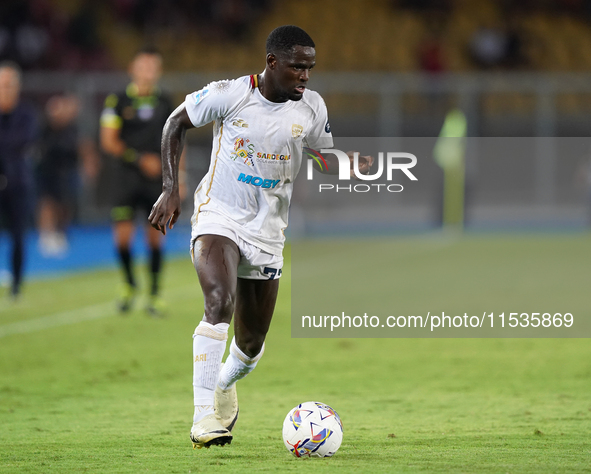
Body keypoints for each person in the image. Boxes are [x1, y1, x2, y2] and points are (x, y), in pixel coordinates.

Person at [149, 25, 372, 448]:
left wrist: (344, 162)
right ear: (272, 63)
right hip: (220, 216)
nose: (305, 77)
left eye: (310, 69)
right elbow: (175, 123)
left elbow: (321, 156)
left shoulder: (312, 108)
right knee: (219, 302)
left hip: (269, 231)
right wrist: (170, 188)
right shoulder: (231, 94)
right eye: (297, 68)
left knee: (250, 346)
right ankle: (202, 419)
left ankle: (224, 384)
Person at [100, 46, 175, 316]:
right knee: (122, 238)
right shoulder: (117, 101)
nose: (147, 72)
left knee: (155, 238)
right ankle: (129, 285)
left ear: (158, 71)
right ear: (133, 69)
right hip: (125, 178)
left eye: (152, 67)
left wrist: (178, 178)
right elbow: (108, 141)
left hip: (157, 180)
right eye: (143, 66)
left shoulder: (165, 102)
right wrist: (139, 159)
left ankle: (154, 294)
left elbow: (179, 142)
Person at [37, 94, 99, 256]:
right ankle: (47, 234)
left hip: (68, 170)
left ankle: (62, 233)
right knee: (48, 202)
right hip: (48, 169)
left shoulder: (76, 128)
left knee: (66, 203)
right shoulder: (48, 125)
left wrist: (89, 166)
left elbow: (85, 147)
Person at [0, 61, 38, 300]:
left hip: (18, 183)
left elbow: (21, 142)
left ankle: (16, 284)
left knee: (18, 235)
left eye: (9, 84)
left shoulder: (27, 114)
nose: (5, 88)